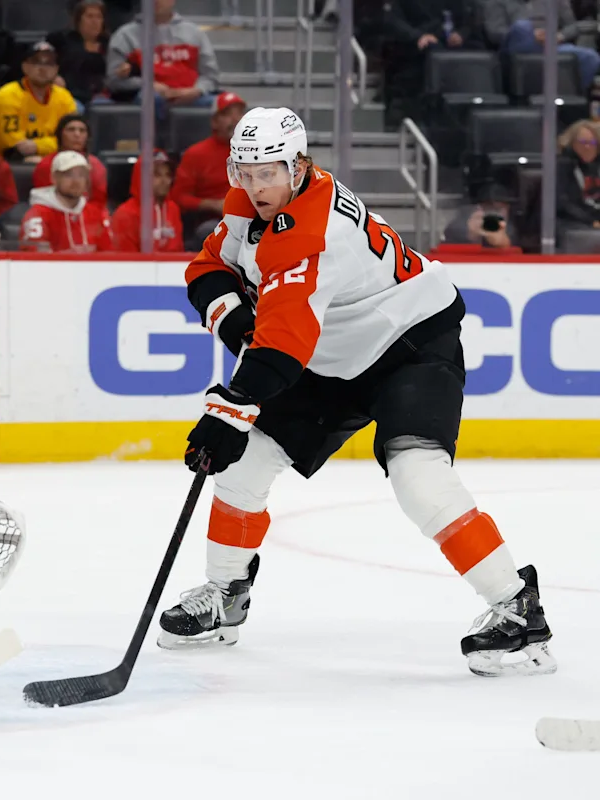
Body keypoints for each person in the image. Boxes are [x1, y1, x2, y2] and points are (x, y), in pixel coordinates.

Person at [157, 106, 554, 678]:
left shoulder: (312, 234)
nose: (255, 185)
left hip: (408, 343)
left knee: (419, 477)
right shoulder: (249, 204)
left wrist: (228, 413)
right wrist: (239, 325)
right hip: (331, 351)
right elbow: (206, 269)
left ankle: (518, 610)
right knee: (243, 465)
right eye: (244, 171)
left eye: (267, 172)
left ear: (298, 167)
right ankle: (225, 595)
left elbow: (281, 348)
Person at [106, 0, 219, 114]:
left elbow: (210, 75)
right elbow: (114, 80)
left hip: (191, 95)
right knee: (152, 99)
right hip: (147, 98)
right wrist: (147, 85)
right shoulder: (125, 35)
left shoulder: (194, 33)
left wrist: (197, 90)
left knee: (224, 105)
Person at [379, 0, 479, 127]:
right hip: (412, 49)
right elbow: (393, 21)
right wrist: (417, 36)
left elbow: (469, 20)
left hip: (448, 47)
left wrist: (461, 34)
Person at [172, 91, 247, 247]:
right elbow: (179, 197)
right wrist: (213, 204)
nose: (236, 119)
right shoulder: (196, 154)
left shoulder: (255, 151)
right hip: (214, 221)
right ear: (214, 121)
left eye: (239, 113)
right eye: (228, 114)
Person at [0, 41, 78, 162]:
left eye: (49, 63)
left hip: (52, 160)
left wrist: (37, 146)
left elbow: (73, 140)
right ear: (25, 67)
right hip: (4, 161)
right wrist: (53, 145)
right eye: (36, 62)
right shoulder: (6, 97)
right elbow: (14, 144)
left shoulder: (64, 97)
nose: (43, 68)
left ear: (56, 69)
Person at [484, 0, 598, 92]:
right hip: (514, 49)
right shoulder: (496, 2)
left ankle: (572, 97)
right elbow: (494, 33)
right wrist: (532, 35)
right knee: (522, 27)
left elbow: (572, 26)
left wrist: (559, 36)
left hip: (550, 45)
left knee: (590, 57)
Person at [20, 150, 112, 253]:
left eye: (81, 175)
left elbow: (111, 254)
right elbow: (34, 258)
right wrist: (71, 256)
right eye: (69, 174)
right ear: (54, 178)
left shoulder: (97, 214)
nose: (76, 181)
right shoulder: (37, 215)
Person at [110, 149, 183, 252]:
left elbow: (178, 251)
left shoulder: (173, 209)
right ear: (141, 177)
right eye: (157, 175)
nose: (164, 181)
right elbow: (126, 259)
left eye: (167, 175)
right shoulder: (126, 214)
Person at [31, 113, 107, 207]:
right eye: (71, 129)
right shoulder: (46, 165)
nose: (77, 134)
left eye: (82, 130)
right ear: (60, 135)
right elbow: (43, 199)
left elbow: (99, 202)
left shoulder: (96, 165)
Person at [47, 0, 110, 104]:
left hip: (101, 97)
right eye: (90, 16)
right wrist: (53, 77)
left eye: (99, 17)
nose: (95, 21)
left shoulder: (109, 43)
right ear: (78, 20)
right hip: (69, 94)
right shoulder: (60, 39)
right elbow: (41, 60)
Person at [442, 182, 519, 250]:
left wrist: (504, 244)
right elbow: (445, 251)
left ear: (508, 209)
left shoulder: (514, 229)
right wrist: (470, 237)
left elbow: (521, 252)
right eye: (489, 208)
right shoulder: (459, 227)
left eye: (498, 209)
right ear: (478, 209)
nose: (494, 214)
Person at [555, 118, 600, 234]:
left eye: (592, 143)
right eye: (583, 142)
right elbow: (562, 204)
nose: (587, 147)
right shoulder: (561, 166)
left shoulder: (595, 167)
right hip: (569, 223)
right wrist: (591, 221)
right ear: (571, 144)